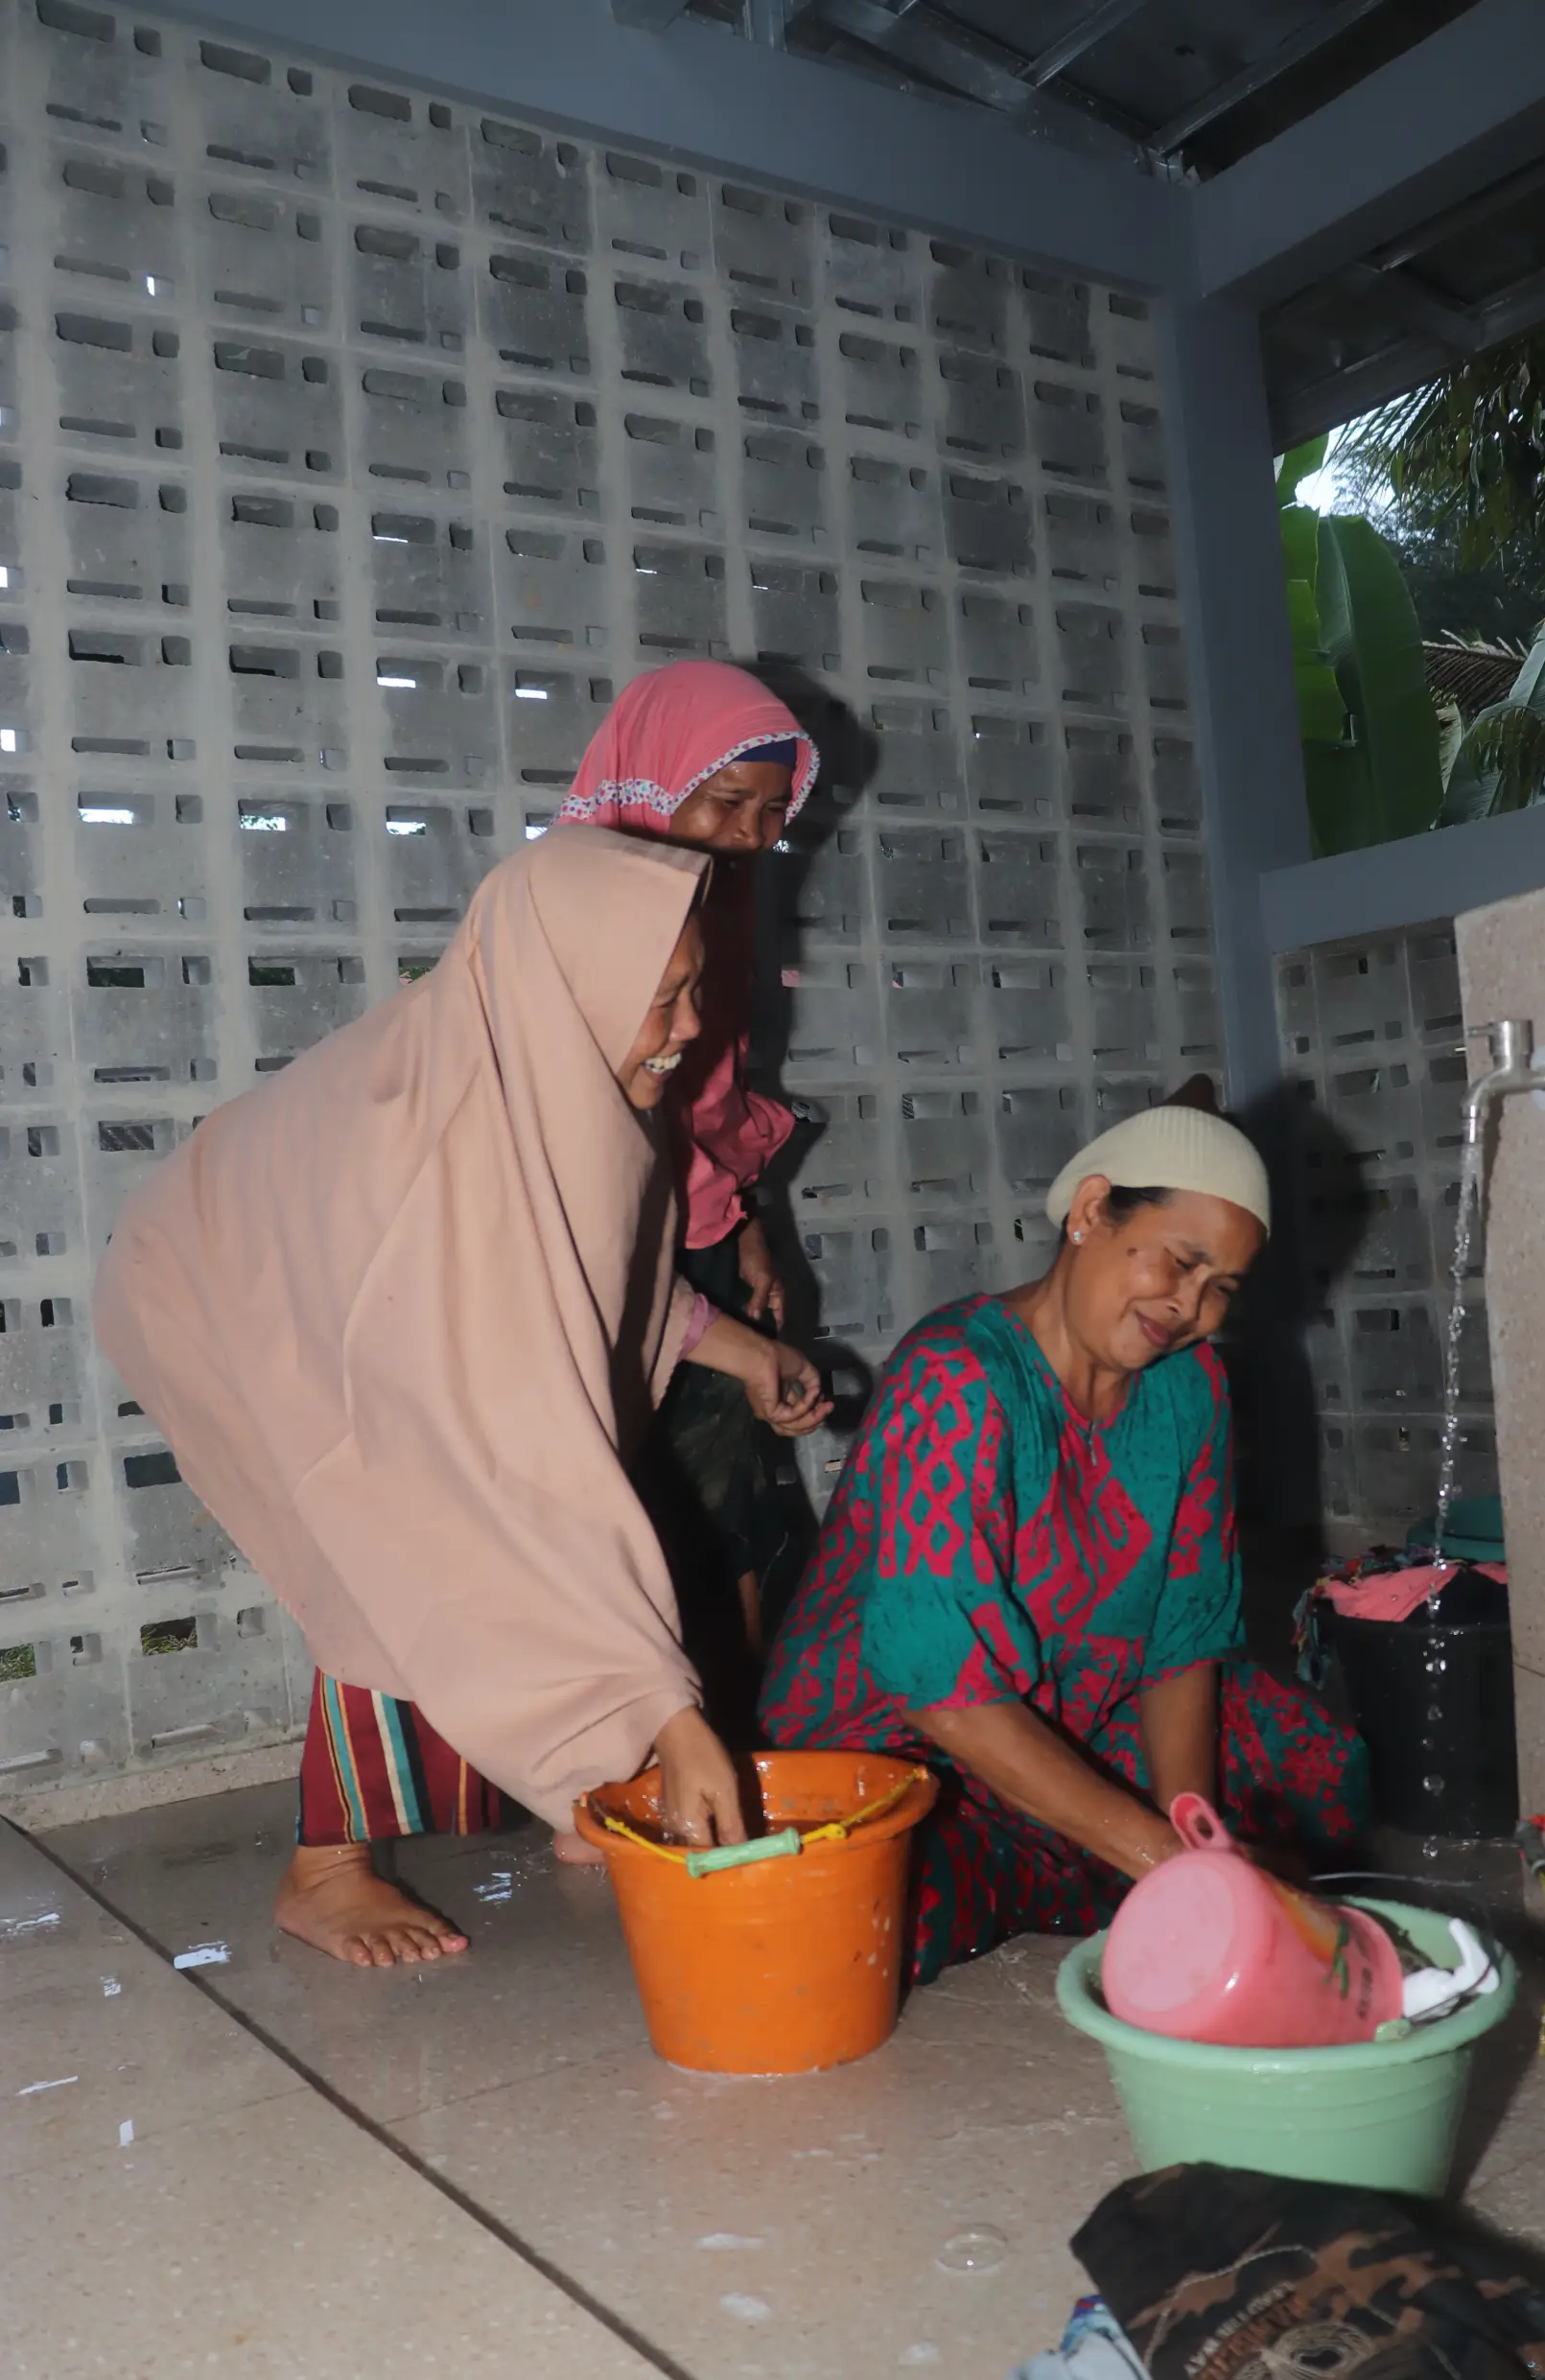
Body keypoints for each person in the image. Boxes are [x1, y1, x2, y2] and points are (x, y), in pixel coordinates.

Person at [93, 827, 827, 1969]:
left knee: (470, 1536)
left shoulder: (576, 1084)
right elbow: (504, 1454)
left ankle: (591, 1779)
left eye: (694, 991)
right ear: (576, 982)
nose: (692, 1029)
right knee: (390, 1543)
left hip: (350, 1279)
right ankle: (323, 1870)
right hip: (210, 1277)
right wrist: (667, 1715)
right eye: (666, 998)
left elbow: (592, 1297)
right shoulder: (448, 1156)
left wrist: (742, 1353)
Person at [761, 1098, 1369, 1985]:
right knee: (859, 1899)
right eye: (1181, 1261)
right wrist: (1167, 1861)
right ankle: (1088, 1871)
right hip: (900, 1739)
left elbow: (1180, 1640)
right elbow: (944, 1693)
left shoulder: (1189, 1388)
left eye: (1220, 1289)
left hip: (1075, 1706)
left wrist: (1188, 1827)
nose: (1189, 1307)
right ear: (1089, 1211)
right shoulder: (956, 1376)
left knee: (1307, 1762)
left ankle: (1094, 1870)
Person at [556, 662, 827, 1663]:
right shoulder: (568, 913)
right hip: (599, 1240)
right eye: (727, 804)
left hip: (697, 1237)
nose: (754, 835)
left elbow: (712, 1090)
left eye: (772, 811)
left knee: (727, 1506)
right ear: (654, 782)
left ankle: (736, 1741)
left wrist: (745, 1220)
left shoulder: (722, 904)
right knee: (624, 1509)